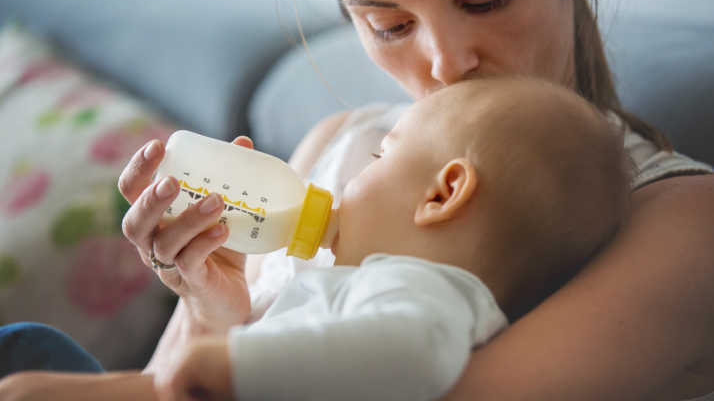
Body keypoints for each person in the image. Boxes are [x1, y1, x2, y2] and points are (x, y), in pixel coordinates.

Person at [2, 0, 714, 400]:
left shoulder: (680, 220)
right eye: (390, 24)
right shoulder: (340, 146)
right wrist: (212, 305)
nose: (444, 63)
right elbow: (181, 376)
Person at [152, 77, 632, 401]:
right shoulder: (376, 282)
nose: (346, 180)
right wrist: (218, 313)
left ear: (442, 195)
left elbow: (416, 352)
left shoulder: (419, 285)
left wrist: (230, 366)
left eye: (378, 157)